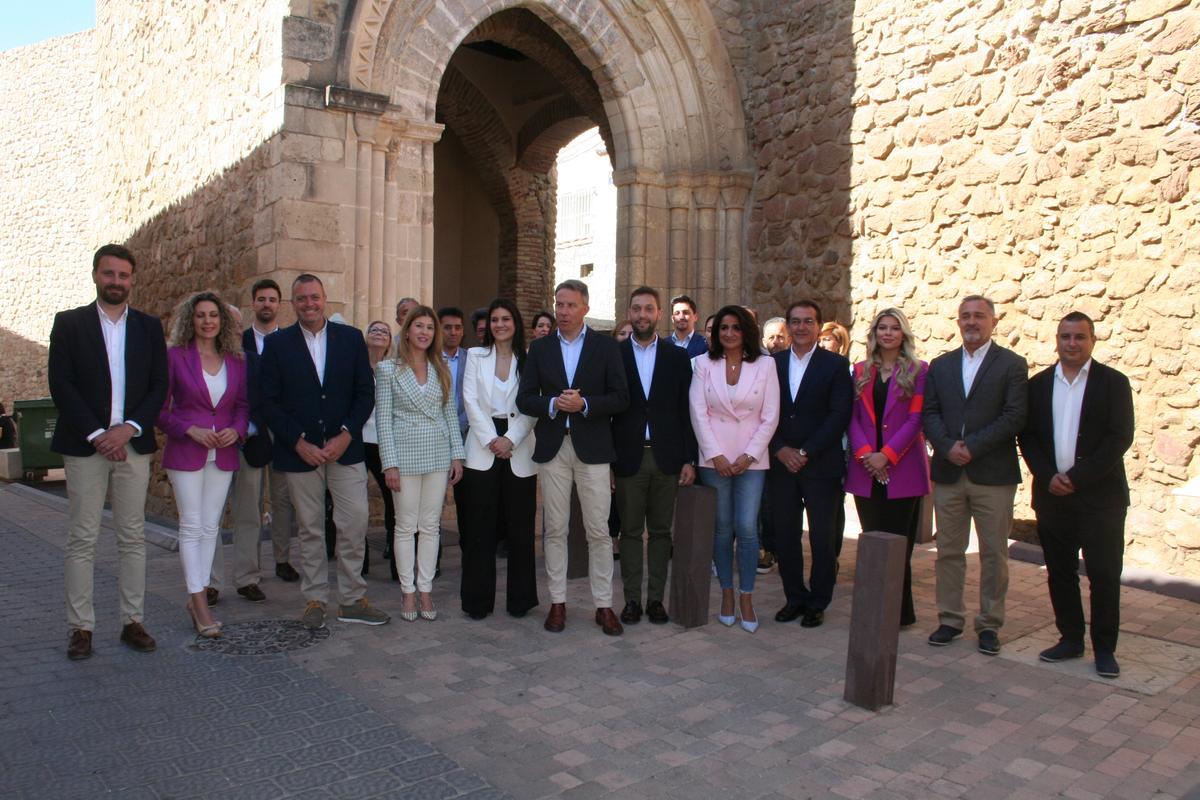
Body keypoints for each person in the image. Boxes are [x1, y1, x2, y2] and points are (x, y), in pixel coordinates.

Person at [49, 244, 168, 660]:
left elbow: (159, 385)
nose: (116, 281)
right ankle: (81, 627)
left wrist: (127, 429)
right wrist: (100, 434)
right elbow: (61, 384)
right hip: (85, 446)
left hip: (132, 444)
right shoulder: (69, 324)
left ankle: (132, 620)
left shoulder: (149, 328)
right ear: (96, 275)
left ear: (132, 279)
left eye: (123, 275)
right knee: (83, 538)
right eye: (109, 274)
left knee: (132, 536)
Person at [261, 274, 389, 630]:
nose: (309, 304)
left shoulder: (350, 339)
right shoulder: (278, 345)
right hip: (299, 453)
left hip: (345, 450)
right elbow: (268, 402)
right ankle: (315, 598)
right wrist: (297, 441)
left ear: (325, 298)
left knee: (354, 522)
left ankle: (352, 599)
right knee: (311, 529)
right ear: (293, 303)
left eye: (314, 297)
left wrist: (347, 434)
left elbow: (365, 393)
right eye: (301, 298)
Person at [1019, 312, 1133, 678]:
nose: (1072, 343)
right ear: (1057, 339)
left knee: (1103, 574)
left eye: (1080, 337)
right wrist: (1048, 475)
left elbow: (1120, 437)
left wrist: (1077, 478)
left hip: (1100, 500)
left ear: (1092, 340)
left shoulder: (1114, 383)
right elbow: (1029, 437)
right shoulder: (1037, 385)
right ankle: (1070, 638)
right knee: (1060, 572)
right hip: (1052, 497)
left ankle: (1104, 649)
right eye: (1066, 336)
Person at [517, 279, 630, 636]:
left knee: (598, 531)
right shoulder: (540, 348)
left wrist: (585, 405)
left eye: (569, 305)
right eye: (558, 304)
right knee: (555, 530)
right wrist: (552, 404)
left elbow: (620, 397)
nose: (562, 311)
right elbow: (524, 399)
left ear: (585, 307)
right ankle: (558, 602)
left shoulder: (605, 347)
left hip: (593, 449)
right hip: (553, 448)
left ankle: (603, 605)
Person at [923, 295, 1027, 655]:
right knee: (948, 550)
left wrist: (973, 446)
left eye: (979, 316)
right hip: (949, 472)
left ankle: (989, 624)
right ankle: (950, 619)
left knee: (993, 553)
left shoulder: (1012, 364)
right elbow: (929, 412)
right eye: (965, 316)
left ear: (993, 322)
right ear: (958, 322)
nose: (972, 322)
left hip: (992, 474)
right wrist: (948, 445)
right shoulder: (940, 365)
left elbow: (1014, 415)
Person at [158, 291, 249, 637]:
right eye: (201, 315)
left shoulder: (237, 360)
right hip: (187, 451)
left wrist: (236, 430)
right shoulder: (175, 357)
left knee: (211, 528)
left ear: (222, 322)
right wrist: (190, 430)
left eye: (213, 315)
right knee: (192, 525)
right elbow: (161, 411)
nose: (207, 321)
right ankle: (198, 602)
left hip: (223, 452)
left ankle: (199, 594)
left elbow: (242, 406)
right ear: (190, 320)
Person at [689, 305, 779, 632]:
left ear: (747, 332)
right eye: (724, 328)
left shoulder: (766, 365)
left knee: (748, 527)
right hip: (715, 459)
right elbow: (698, 412)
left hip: (751, 460)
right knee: (723, 527)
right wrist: (716, 455)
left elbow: (770, 415)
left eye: (736, 328)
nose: (729, 333)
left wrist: (748, 455)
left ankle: (747, 595)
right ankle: (726, 592)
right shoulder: (701, 364)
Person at [209, 279, 297, 608]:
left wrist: (245, 429)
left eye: (233, 323)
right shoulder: (198, 360)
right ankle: (210, 582)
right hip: (209, 446)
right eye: (223, 321)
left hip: (246, 444)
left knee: (249, 514)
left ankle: (247, 577)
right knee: (211, 517)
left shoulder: (251, 360)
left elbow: (257, 402)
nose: (228, 328)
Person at [376, 305, 466, 621]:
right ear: (407, 330)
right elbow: (383, 421)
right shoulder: (388, 370)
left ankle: (425, 591)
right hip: (404, 455)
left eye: (430, 327)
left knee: (430, 526)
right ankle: (407, 593)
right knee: (405, 526)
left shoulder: (441, 368)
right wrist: (389, 464)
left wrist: (457, 455)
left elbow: (449, 416)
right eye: (419, 326)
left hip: (438, 455)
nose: (425, 332)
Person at [613, 287, 696, 625]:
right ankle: (632, 599)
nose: (642, 315)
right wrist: (606, 461)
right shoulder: (613, 354)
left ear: (659, 314)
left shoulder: (677, 357)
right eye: (636, 309)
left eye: (649, 309)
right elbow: (608, 413)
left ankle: (656, 600)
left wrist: (689, 458)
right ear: (629, 313)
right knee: (630, 532)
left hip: (667, 458)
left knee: (661, 532)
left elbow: (686, 411)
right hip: (627, 457)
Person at [768, 300, 853, 629]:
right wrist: (779, 449)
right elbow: (762, 413)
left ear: (819, 326)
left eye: (808, 321)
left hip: (820, 464)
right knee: (785, 535)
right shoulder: (771, 365)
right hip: (781, 465)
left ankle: (818, 601)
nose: (801, 327)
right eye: (795, 321)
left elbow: (839, 415)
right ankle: (794, 597)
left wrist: (805, 451)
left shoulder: (835, 365)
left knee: (822, 537)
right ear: (787, 326)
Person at [845, 309, 930, 628]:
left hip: (902, 468)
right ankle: (872, 608)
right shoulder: (859, 371)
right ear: (874, 332)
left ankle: (899, 613)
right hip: (865, 468)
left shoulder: (920, 371)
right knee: (872, 541)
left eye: (895, 328)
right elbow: (852, 418)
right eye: (883, 327)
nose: (889, 333)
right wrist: (868, 455)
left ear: (903, 334)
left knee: (898, 545)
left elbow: (916, 419)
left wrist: (887, 455)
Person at [460, 299, 539, 619]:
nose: (500, 324)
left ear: (516, 323)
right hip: (482, 446)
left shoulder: (530, 358)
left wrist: (511, 438)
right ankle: (477, 602)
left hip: (519, 446)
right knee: (479, 530)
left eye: (506, 319)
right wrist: (493, 439)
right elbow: (470, 400)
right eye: (494, 319)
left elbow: (532, 404)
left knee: (521, 530)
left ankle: (520, 600)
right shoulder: (476, 356)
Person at [362, 320, 398, 581]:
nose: (378, 334)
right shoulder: (356, 367)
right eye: (374, 330)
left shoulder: (394, 370)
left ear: (390, 341)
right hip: (356, 440)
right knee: (356, 504)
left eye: (384, 331)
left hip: (384, 442)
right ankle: (359, 561)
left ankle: (395, 555)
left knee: (393, 500)